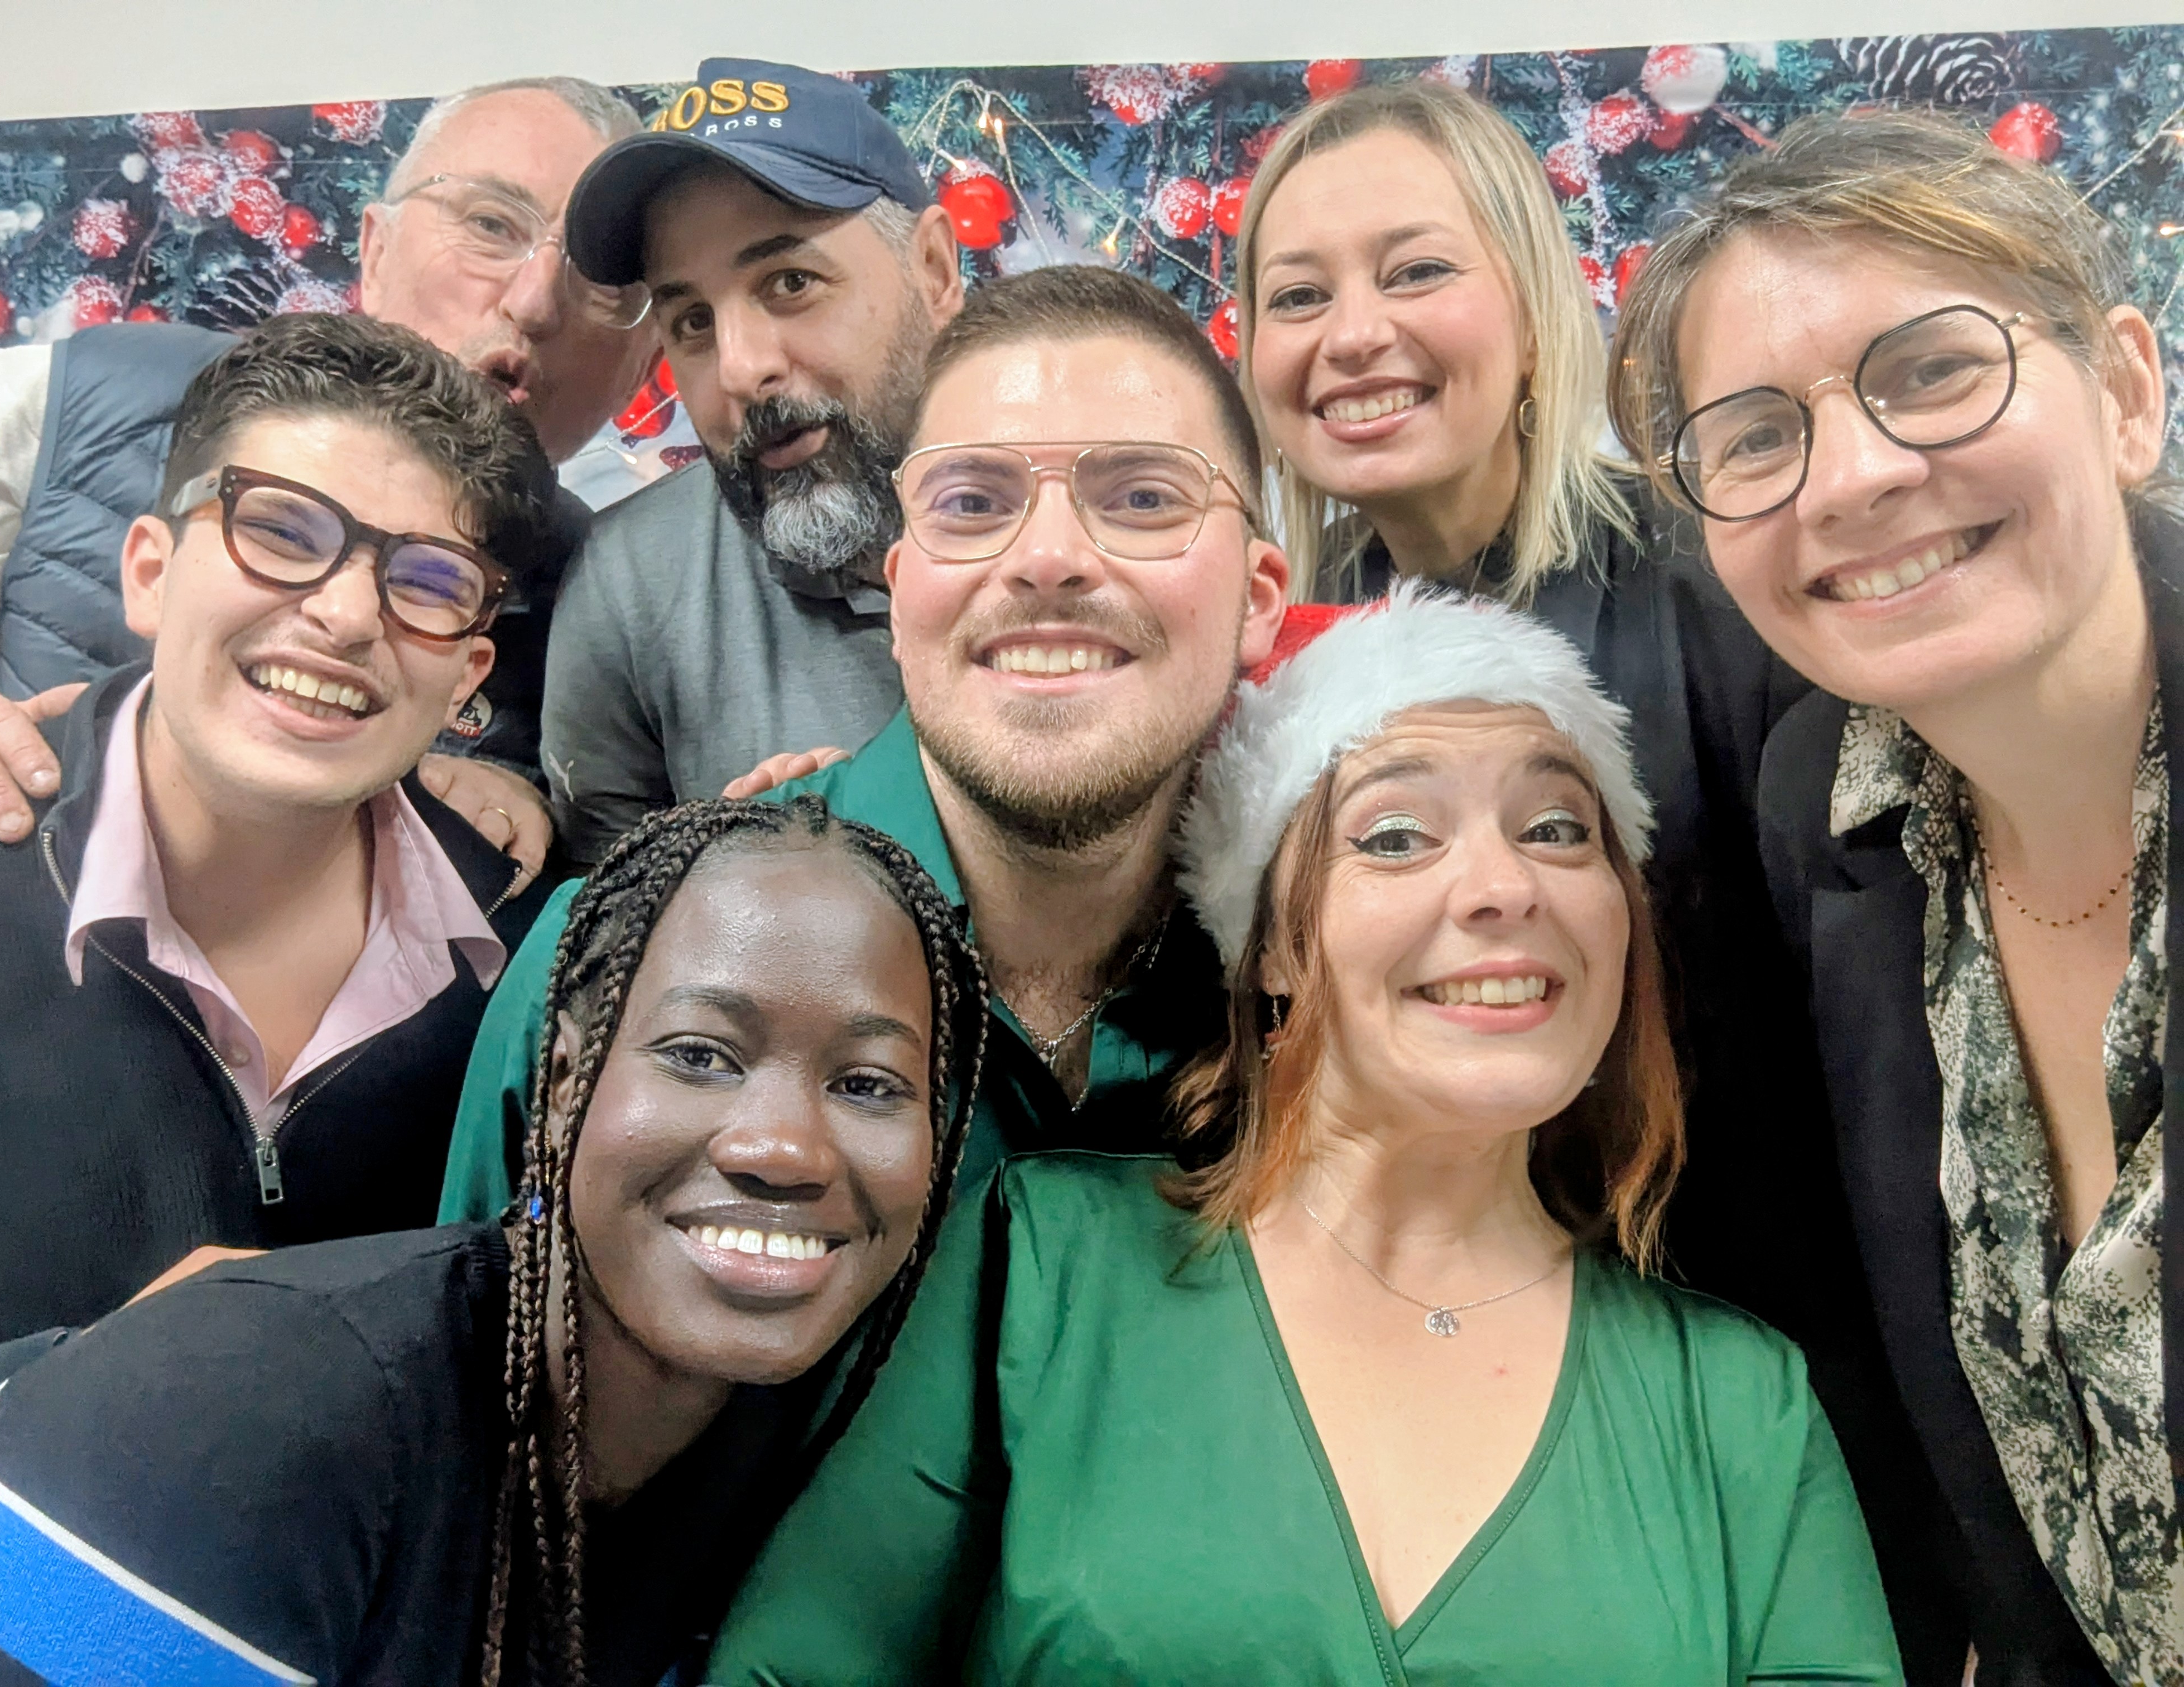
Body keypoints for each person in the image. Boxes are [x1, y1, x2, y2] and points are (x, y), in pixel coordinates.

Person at [707, 588, 1903, 1686]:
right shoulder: (1035, 1270)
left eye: (1556, 828)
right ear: (1270, 942)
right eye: (1395, 836)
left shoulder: (1743, 1406)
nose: (1506, 886)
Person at [1223, 79, 1944, 1657]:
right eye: (1299, 295)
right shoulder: (1274, 656)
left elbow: (1893, 1082)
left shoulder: (1730, 596)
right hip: (1411, 1396)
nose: (1354, 335)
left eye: (1416, 269)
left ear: (1537, 303)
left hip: (1768, 1406)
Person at [0, 796, 989, 1687]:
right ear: (565, 1083)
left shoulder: (801, 1471)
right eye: (701, 1055)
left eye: (868, 1084)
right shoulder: (236, 1432)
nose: (786, 1148)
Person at [1609, 110, 2176, 1687]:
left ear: (2127, 393)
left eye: (1932, 370)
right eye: (1753, 438)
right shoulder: (1830, 817)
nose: (1852, 478)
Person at [440, 263, 1286, 1225]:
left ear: (1258, 599)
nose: (1048, 558)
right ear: (901, 587)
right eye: (972, 503)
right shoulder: (618, 956)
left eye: (1142, 499)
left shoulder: (1330, 970)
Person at [0, 312, 560, 1358]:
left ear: (467, 677)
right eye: (282, 532)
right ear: (150, 572)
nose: (348, 615)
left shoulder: (530, 968)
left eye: (429, 582)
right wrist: (64, 1401)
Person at [0, 74, 662, 869]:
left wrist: (517, 800)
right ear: (375, 250)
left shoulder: (619, 588)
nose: (534, 302)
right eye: (490, 224)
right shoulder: (58, 403)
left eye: (602, 280)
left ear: (645, 359)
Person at [535, 58, 968, 867]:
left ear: (936, 272)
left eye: (791, 282)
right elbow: (602, 913)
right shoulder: (631, 587)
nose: (740, 369)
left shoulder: (1098, 523)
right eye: (693, 321)